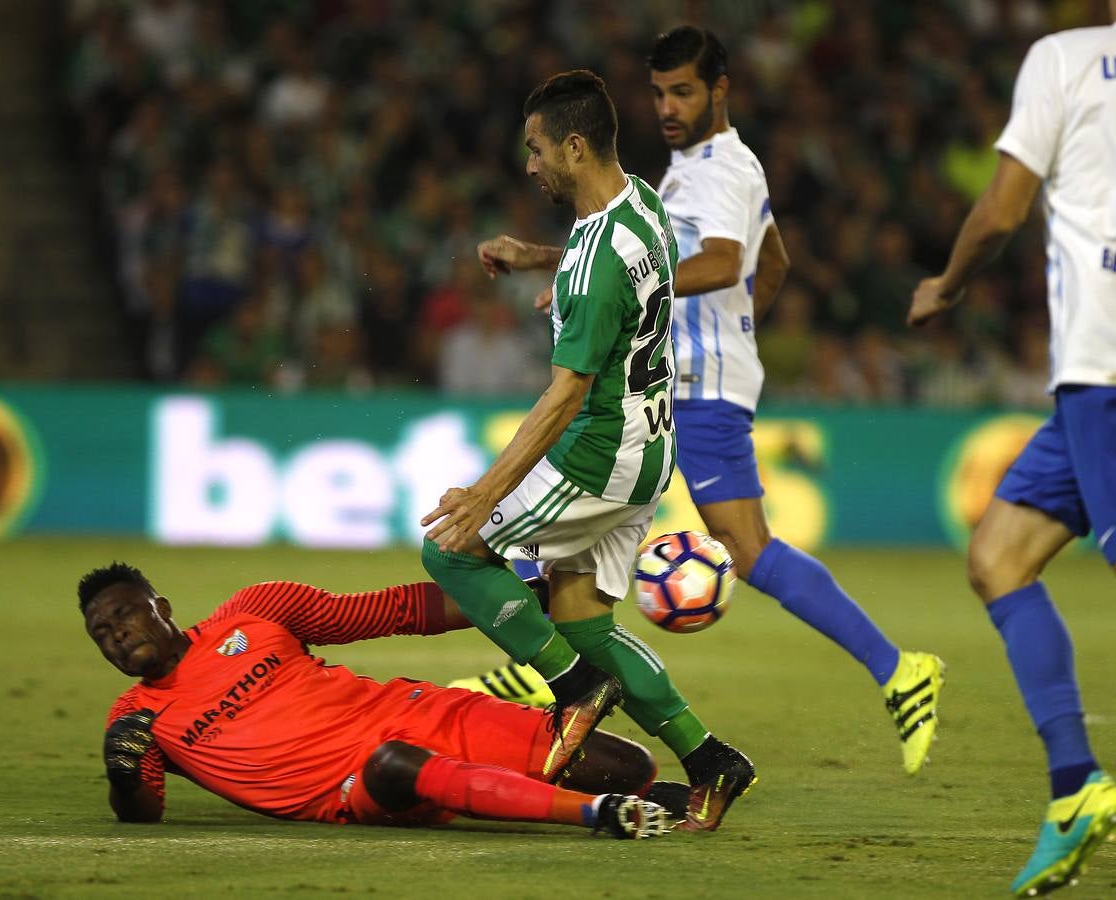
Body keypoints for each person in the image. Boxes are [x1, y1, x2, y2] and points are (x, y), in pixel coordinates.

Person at [466, 27, 945, 777]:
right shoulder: (702, 167)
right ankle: (549, 661)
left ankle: (898, 669)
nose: (666, 106)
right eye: (657, 92)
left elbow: (722, 262)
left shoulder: (720, 167)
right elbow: (772, 258)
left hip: (699, 385)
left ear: (719, 91)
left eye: (683, 91)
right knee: (591, 517)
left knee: (743, 547)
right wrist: (739, 329)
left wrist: (718, 339)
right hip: (691, 377)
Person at [419, 69, 755, 833]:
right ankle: (711, 763)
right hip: (652, 444)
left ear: (574, 146)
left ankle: (574, 693)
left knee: (452, 550)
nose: (529, 164)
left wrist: (484, 492)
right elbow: (621, 269)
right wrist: (544, 261)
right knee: (582, 622)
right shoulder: (639, 203)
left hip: (600, 453)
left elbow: (564, 393)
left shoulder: (599, 258)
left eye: (536, 150)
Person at [907, 8, 1116, 894]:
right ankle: (1075, 788)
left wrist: (947, 285)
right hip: (1082, 383)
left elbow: (1002, 208)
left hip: (1105, 361)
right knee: (997, 558)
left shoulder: (1062, 59)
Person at [79, 561, 683, 838]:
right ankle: (596, 815)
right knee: (397, 763)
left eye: (125, 615)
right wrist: (123, 771)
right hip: (357, 786)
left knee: (632, 767)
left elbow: (393, 611)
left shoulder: (255, 611)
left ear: (160, 606)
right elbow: (143, 813)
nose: (117, 634)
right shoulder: (133, 720)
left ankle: (628, 796)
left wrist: (532, 595)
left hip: (420, 711)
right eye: (101, 633)